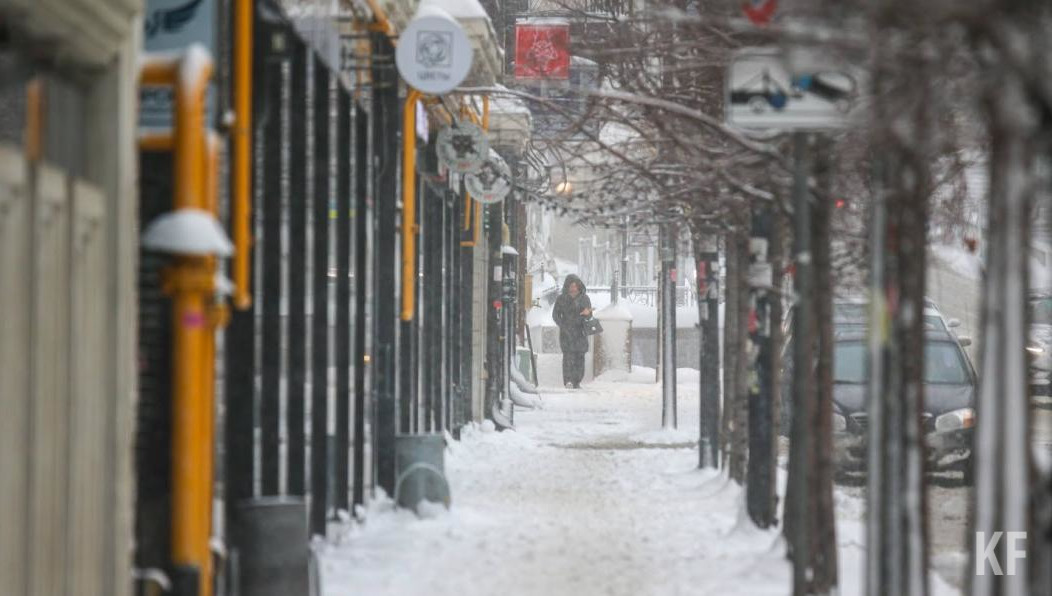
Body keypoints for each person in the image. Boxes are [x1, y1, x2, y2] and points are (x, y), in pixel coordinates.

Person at [552, 274, 592, 388]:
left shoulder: (584, 298)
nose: (573, 288)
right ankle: (568, 381)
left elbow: (589, 315)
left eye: (575, 286)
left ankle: (577, 381)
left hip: (580, 333)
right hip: (567, 333)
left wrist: (587, 314)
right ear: (567, 286)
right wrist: (563, 325)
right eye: (571, 286)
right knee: (568, 357)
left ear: (579, 286)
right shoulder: (561, 299)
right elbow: (555, 315)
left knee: (580, 357)